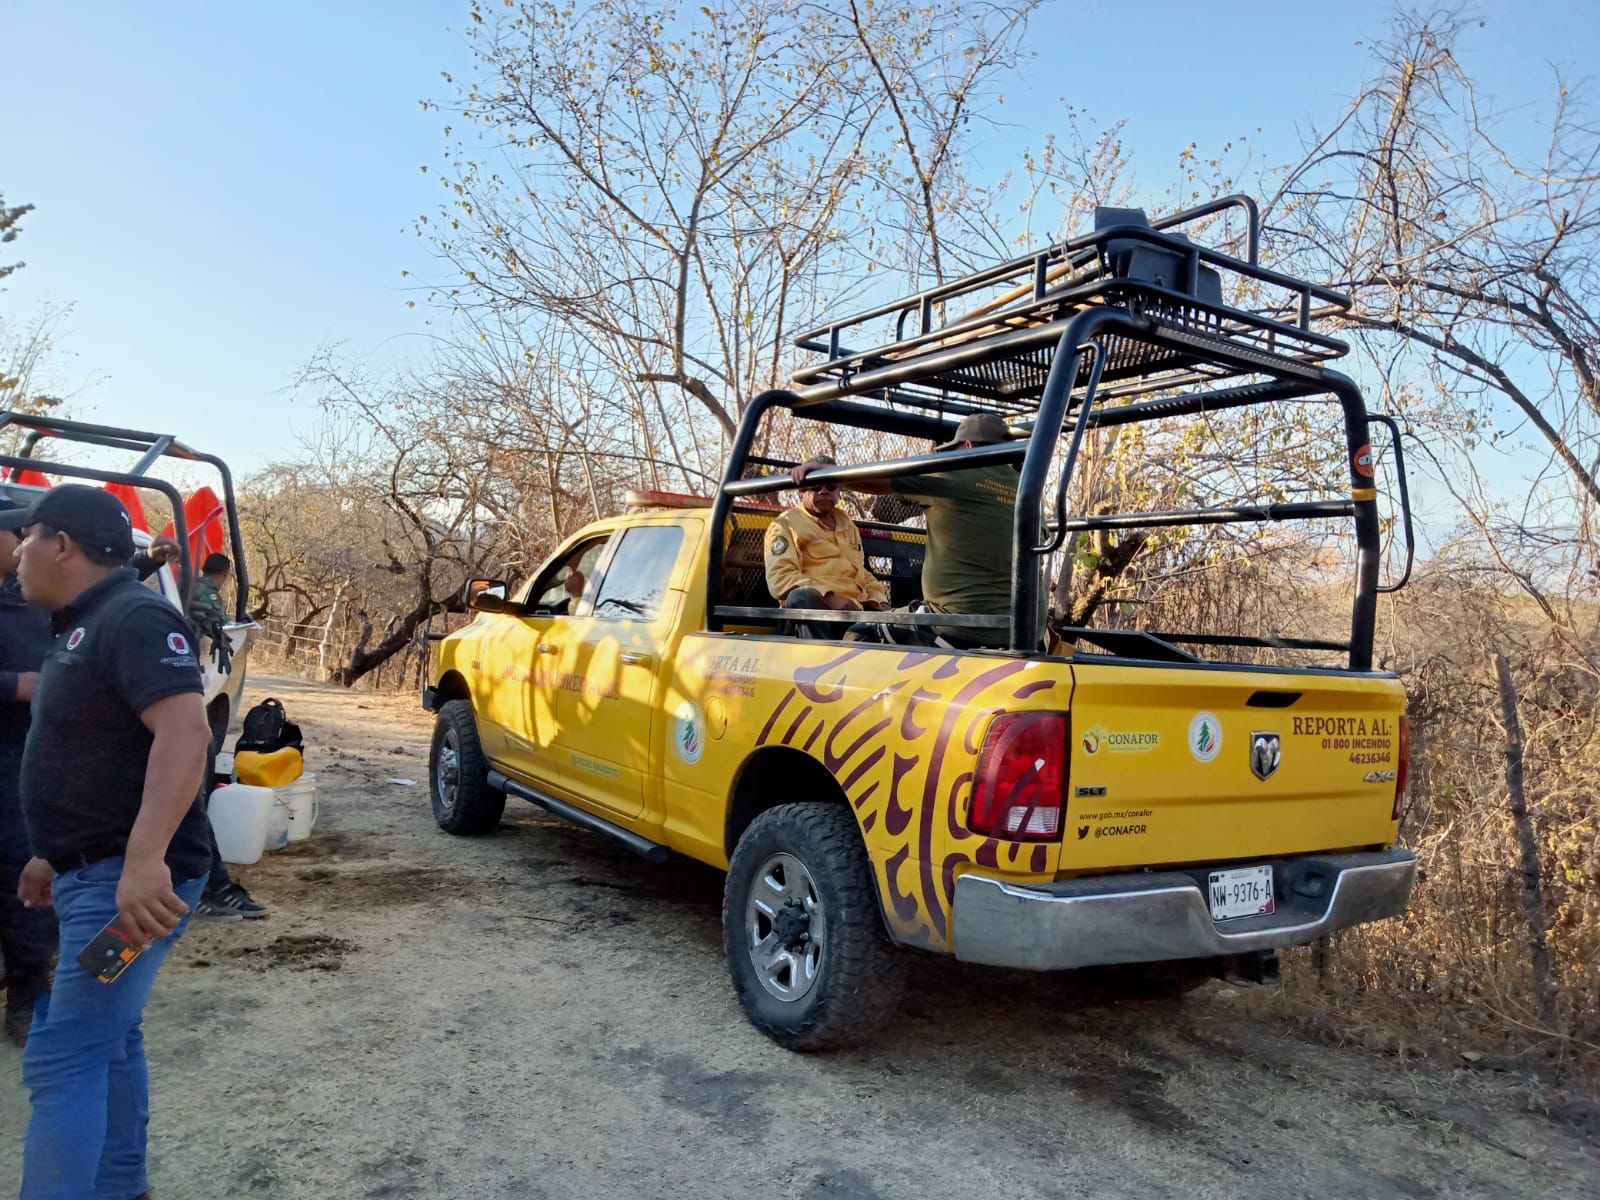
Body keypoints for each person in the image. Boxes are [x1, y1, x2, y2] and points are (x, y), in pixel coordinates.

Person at [11, 485, 217, 1197]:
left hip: (123, 896)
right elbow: (96, 753)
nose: (16, 555)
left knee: (64, 1053)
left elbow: (187, 733)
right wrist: (53, 850)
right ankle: (120, 1186)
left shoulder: (133, 616)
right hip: (90, 874)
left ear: (62, 543)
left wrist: (142, 860)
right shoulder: (81, 624)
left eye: (26, 536)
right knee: (109, 1040)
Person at [855, 411, 1035, 648]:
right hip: (1027, 630)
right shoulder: (1027, 484)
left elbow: (873, 481)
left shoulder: (952, 470)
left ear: (967, 445)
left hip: (955, 625)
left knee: (860, 632)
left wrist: (822, 475)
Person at [0, 501, 56, 1047]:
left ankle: (26, 991)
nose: (20, 544)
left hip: (20, 766)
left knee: (23, 882)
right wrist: (13, 685)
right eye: (14, 534)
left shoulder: (37, 600)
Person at [763, 455, 888, 637]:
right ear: (801, 491)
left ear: (839, 491)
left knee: (912, 616)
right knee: (801, 597)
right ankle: (818, 661)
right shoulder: (785, 525)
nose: (823, 491)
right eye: (815, 486)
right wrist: (829, 599)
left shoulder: (848, 525)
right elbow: (780, 578)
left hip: (854, 612)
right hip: (812, 617)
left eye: (830, 486)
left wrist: (880, 601)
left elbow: (861, 572)